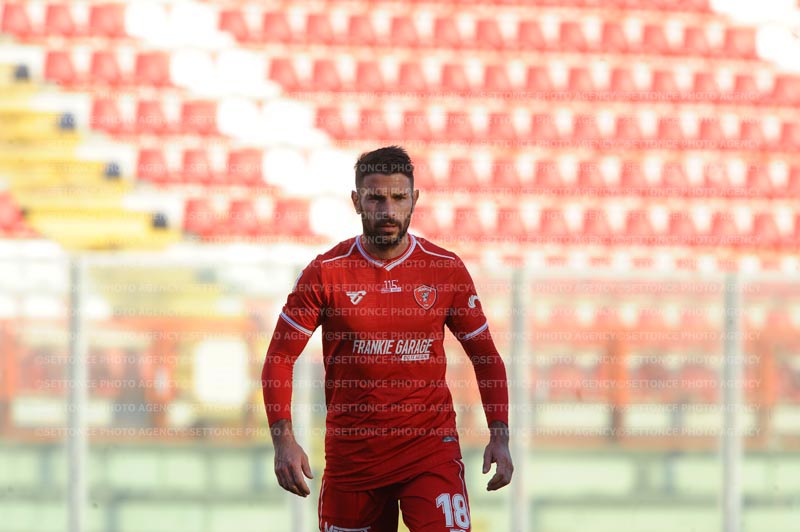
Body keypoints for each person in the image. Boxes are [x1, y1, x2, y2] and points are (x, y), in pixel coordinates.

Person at [262, 145, 512, 532]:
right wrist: (283, 441)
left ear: (415, 199)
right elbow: (279, 358)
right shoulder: (327, 272)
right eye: (376, 198)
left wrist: (500, 433)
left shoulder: (444, 269)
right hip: (353, 460)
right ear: (356, 201)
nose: (388, 211)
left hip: (430, 453)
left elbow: (486, 357)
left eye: (398, 198)